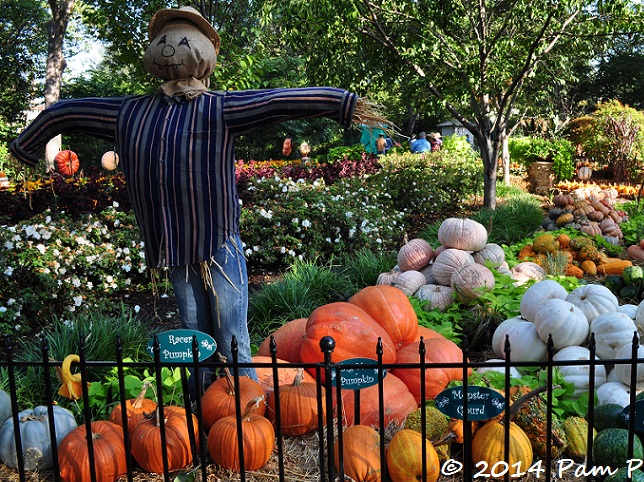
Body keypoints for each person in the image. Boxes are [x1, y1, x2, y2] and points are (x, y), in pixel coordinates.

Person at [9, 7, 388, 396]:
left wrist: (343, 103)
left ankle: (245, 404)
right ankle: (203, 404)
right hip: (171, 242)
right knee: (194, 333)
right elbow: (66, 111)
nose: (174, 49)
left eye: (186, 41)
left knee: (230, 331)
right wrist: (25, 145)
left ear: (204, 52)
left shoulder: (219, 107)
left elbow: (277, 102)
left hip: (217, 239)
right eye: (167, 41)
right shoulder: (130, 112)